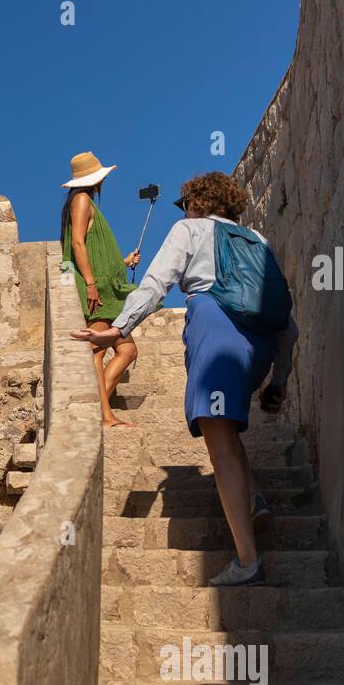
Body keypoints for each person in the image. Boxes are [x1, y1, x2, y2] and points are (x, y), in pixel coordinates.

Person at [71, 171, 299, 587]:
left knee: (219, 443)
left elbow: (155, 285)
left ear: (195, 202)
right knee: (226, 428)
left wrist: (118, 330)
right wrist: (279, 378)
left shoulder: (188, 229)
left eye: (185, 203)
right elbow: (288, 319)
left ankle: (247, 561)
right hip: (260, 347)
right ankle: (253, 497)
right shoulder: (257, 241)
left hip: (216, 333)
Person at [59, 151, 143, 428]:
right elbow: (78, 244)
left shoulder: (85, 201)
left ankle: (97, 411)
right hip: (96, 290)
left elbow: (94, 251)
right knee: (97, 351)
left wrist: (123, 262)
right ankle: (105, 415)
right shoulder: (81, 200)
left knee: (128, 350)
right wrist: (91, 285)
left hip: (105, 289)